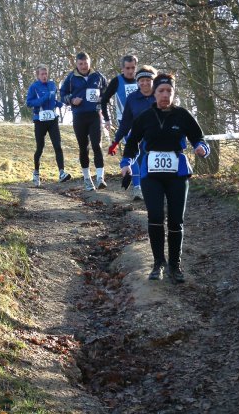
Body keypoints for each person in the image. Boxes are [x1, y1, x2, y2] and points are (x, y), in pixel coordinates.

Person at [120, 73, 210, 283]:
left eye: (169, 91)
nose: (165, 95)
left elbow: (199, 138)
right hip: (151, 175)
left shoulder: (183, 115)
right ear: (154, 93)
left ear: (173, 93)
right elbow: (132, 144)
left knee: (176, 221)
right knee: (155, 217)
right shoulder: (145, 117)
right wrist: (126, 164)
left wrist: (201, 148)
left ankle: (175, 266)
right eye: (161, 91)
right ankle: (158, 263)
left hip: (177, 175)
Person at [108, 65, 157, 200]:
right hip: (138, 137)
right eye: (142, 80)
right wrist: (115, 142)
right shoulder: (132, 98)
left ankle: (156, 189)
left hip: (158, 138)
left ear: (153, 81)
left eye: (148, 80)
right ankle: (137, 188)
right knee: (134, 160)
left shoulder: (160, 96)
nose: (145, 83)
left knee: (150, 164)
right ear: (138, 82)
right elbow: (125, 123)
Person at [60, 52, 108, 191]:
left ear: (90, 62)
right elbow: (62, 95)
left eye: (85, 63)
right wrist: (71, 100)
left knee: (96, 145)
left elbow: (107, 91)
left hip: (94, 115)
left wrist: (103, 98)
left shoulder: (98, 76)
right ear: (76, 64)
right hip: (79, 116)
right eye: (80, 64)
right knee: (83, 147)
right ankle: (87, 179)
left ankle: (100, 178)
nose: (83, 66)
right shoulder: (70, 78)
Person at [26, 64, 71, 187]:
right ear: (37, 75)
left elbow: (53, 100)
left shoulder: (52, 85)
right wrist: (45, 98)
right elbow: (29, 103)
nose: (44, 76)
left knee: (58, 145)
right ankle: (36, 172)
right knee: (40, 147)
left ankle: (61, 172)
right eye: (42, 74)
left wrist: (58, 103)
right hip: (39, 120)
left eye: (46, 74)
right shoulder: (33, 87)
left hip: (52, 119)